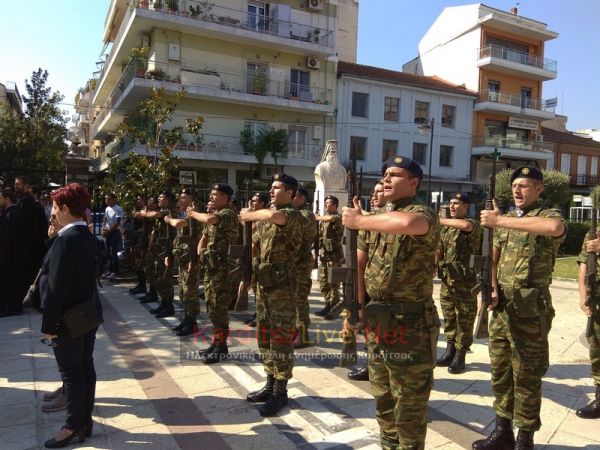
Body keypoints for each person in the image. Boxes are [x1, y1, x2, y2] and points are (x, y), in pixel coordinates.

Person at [342, 156, 440, 450]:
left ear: (413, 183)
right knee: (383, 399)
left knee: (408, 406)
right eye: (385, 174)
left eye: (395, 175)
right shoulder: (378, 217)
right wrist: (357, 309)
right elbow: (359, 264)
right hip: (378, 321)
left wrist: (359, 220)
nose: (386, 178)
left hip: (410, 326)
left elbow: (409, 223)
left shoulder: (424, 213)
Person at [473, 166, 566, 450]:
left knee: (526, 374)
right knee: (500, 372)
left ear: (539, 189)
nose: (517, 190)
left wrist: (500, 220)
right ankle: (503, 432)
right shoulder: (507, 220)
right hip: (502, 309)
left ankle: (525, 437)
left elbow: (554, 229)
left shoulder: (548, 216)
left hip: (530, 310)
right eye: (515, 186)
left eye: (524, 186)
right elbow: (494, 258)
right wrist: (490, 287)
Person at [40, 183, 101, 448]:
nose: (52, 212)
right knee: (85, 368)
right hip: (87, 313)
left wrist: (48, 324)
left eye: (55, 207)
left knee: (72, 373)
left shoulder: (67, 241)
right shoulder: (88, 236)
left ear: (65, 208)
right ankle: (84, 421)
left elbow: (56, 287)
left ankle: (73, 424)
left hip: (67, 318)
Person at [241, 173, 303, 417]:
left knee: (281, 339)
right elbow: (256, 243)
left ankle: (280, 391)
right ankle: (269, 383)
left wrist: (249, 215)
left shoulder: (290, 215)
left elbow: (272, 215)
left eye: (278, 188)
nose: (272, 190)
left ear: (291, 194)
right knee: (264, 336)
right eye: (271, 187)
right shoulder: (267, 219)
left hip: (283, 289)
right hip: (265, 286)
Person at [188, 183, 239, 364]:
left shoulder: (228, 214)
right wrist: (200, 253)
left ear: (225, 198)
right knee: (211, 307)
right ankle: (216, 344)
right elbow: (205, 237)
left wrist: (193, 214)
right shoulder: (214, 215)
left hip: (223, 271)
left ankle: (222, 347)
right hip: (212, 268)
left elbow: (210, 221)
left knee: (219, 309)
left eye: (215, 194)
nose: (211, 197)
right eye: (211, 194)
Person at [436, 193, 480, 374]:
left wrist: (440, 220)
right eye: (450, 204)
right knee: (449, 317)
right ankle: (450, 350)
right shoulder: (446, 228)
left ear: (466, 207)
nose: (452, 207)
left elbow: (466, 226)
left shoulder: (472, 224)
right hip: (447, 281)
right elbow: (439, 248)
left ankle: (460, 355)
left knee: (465, 319)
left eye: (456, 204)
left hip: (465, 283)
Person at [347, 178, 386, 382]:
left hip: (387, 290)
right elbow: (360, 262)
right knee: (369, 331)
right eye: (373, 192)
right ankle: (371, 365)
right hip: (369, 286)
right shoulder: (366, 223)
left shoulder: (389, 219)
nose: (375, 195)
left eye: (380, 191)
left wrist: (361, 217)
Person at [166, 188, 202, 337]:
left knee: (190, 292)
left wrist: (169, 220)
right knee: (183, 292)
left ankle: (192, 322)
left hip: (191, 260)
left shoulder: (194, 216)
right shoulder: (185, 214)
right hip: (183, 259)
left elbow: (179, 224)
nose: (180, 200)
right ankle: (187, 320)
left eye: (184, 198)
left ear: (192, 199)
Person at [575, 226, 600, 419]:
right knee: (597, 350)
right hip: (596, 302)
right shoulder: (594, 231)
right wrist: (583, 293)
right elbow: (583, 263)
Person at [13, 175, 48, 313]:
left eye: (19, 184)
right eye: (15, 184)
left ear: (27, 186)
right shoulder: (24, 202)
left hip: (30, 249)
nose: (16, 187)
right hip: (30, 249)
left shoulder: (27, 204)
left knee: (31, 277)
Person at [292, 185, 317, 348]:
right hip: (293, 263)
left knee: (300, 300)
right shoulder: (296, 213)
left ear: (302, 198)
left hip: (301, 263)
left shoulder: (306, 215)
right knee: (294, 299)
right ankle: (296, 332)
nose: (292, 199)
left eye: (295, 196)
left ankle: (303, 335)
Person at [145, 191, 176, 318]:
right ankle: (164, 304)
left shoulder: (167, 212)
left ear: (167, 199)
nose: (158, 198)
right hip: (161, 250)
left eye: (161, 197)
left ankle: (169, 306)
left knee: (165, 279)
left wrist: (143, 213)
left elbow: (155, 214)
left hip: (167, 250)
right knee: (160, 278)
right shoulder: (164, 211)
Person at [241, 191, 269, 327]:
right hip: (254, 258)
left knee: (260, 290)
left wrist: (248, 216)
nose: (252, 203)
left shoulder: (263, 218)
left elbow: (251, 229)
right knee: (256, 289)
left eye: (255, 201)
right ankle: (259, 314)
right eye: (251, 201)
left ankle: (261, 316)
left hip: (260, 259)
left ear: (263, 203)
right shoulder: (255, 217)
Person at [315, 195, 344, 319]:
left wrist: (317, 217)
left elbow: (331, 218)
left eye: (329, 203)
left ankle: (334, 309)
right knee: (324, 283)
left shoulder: (337, 217)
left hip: (334, 257)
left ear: (335, 205)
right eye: (325, 202)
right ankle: (328, 305)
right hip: (324, 256)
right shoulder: (323, 220)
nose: (326, 205)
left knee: (333, 284)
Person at [0, 189, 20, 317]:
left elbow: (7, 239)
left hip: (7, 258)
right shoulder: (10, 213)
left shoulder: (10, 214)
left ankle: (8, 307)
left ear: (6, 198)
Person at [101, 193, 123, 280]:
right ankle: (110, 270)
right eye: (106, 199)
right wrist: (103, 228)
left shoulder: (118, 209)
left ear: (114, 199)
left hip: (114, 232)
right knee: (108, 252)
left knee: (113, 252)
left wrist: (109, 231)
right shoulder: (107, 208)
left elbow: (117, 222)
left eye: (109, 199)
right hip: (108, 232)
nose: (107, 201)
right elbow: (105, 219)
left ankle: (115, 271)